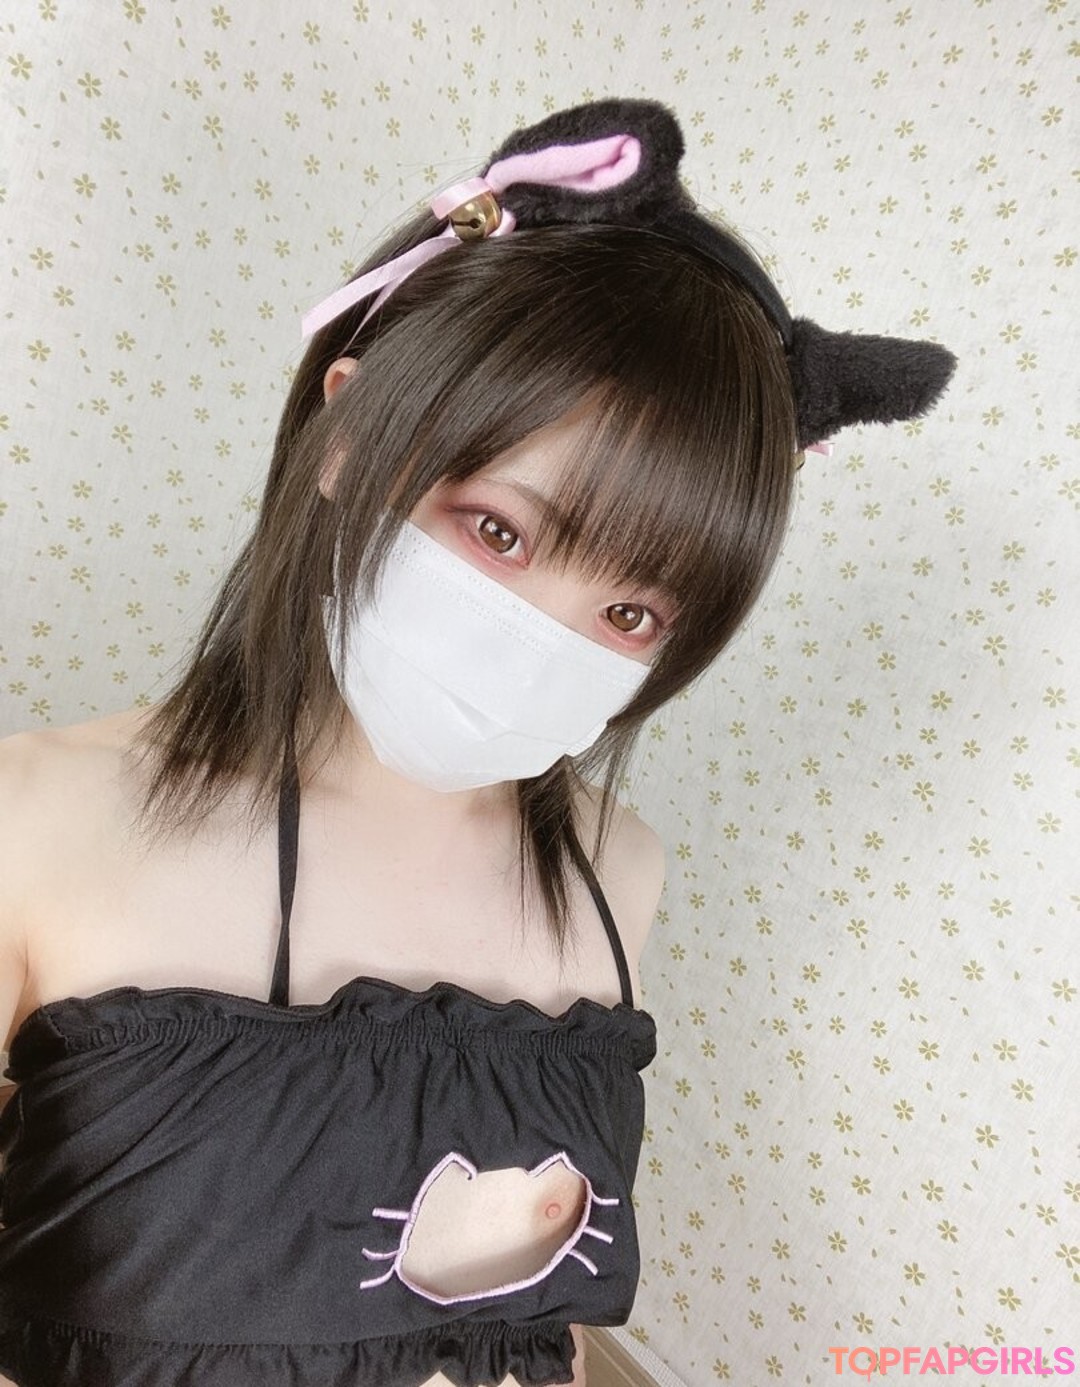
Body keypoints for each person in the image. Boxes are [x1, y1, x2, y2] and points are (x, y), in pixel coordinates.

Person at [0, 98, 955, 1387]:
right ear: (349, 437)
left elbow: (535, 1326)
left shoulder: (621, 870)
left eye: (630, 613)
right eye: (500, 531)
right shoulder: (36, 823)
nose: (541, 642)